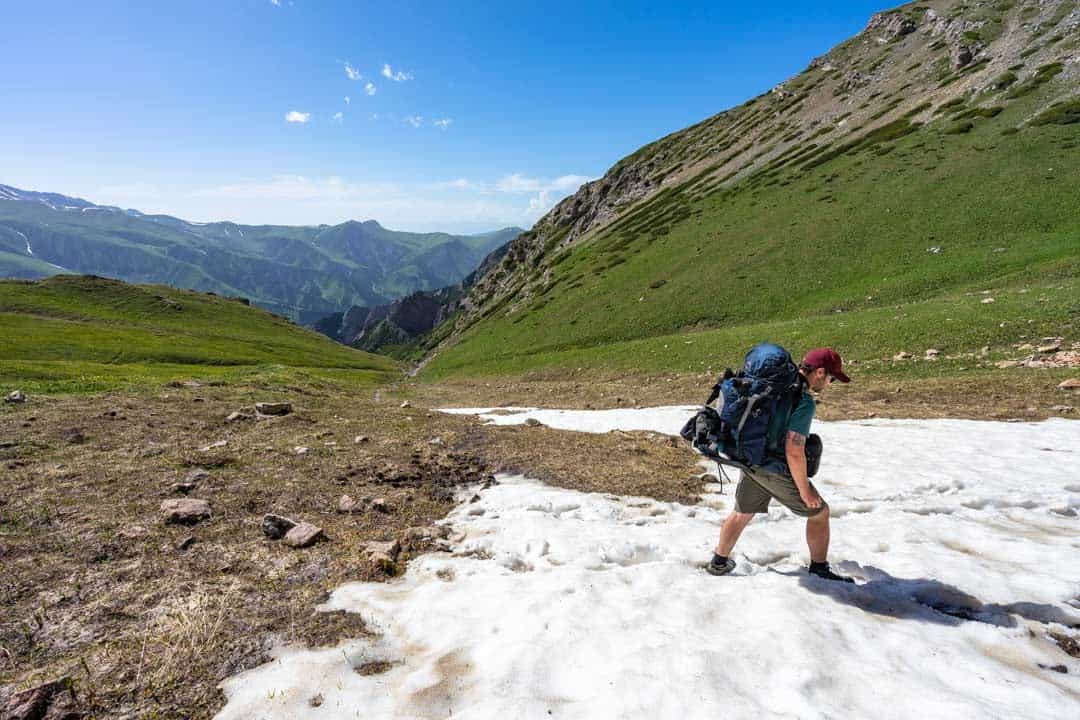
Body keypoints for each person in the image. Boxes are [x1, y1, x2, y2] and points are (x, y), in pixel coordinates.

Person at [706, 347, 854, 582]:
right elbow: (794, 450)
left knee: (742, 512)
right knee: (819, 513)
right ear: (820, 373)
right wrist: (804, 490)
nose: (830, 383)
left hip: (750, 459)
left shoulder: (776, 387)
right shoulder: (803, 401)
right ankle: (819, 570)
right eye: (831, 378)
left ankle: (718, 563)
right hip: (772, 467)